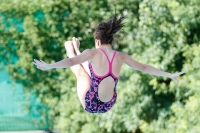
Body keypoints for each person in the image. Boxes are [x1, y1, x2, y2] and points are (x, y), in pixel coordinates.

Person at [32, 15, 185, 113]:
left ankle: (74, 50)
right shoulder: (122, 56)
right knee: (90, 69)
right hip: (108, 104)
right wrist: (169, 75)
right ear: (112, 41)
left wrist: (50, 66)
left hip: (90, 102)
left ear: (97, 41)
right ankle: (78, 51)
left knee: (80, 72)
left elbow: (71, 62)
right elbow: (144, 67)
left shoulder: (93, 52)